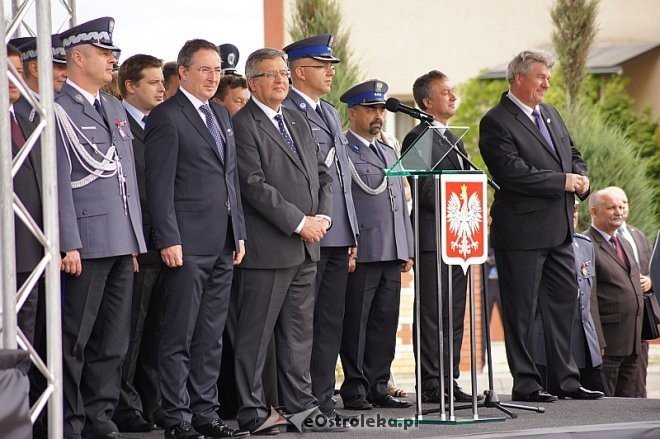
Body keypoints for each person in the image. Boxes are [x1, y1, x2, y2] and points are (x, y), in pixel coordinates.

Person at [478, 49, 603, 401]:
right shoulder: (496, 121)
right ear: (518, 78)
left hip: (560, 230)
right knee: (520, 311)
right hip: (521, 234)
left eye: (548, 76)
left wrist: (581, 178)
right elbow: (511, 173)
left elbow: (573, 155)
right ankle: (527, 384)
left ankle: (566, 380)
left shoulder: (550, 114)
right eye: (540, 76)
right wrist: (562, 182)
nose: (547, 83)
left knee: (563, 304)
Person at [232, 48, 343, 434]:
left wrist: (323, 217)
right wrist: (299, 222)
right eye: (271, 74)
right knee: (256, 336)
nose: (281, 80)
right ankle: (253, 411)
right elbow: (253, 185)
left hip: (306, 246)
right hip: (269, 248)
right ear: (252, 82)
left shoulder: (296, 120)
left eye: (284, 73)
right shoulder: (242, 124)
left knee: (300, 336)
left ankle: (301, 409)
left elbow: (322, 174)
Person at [144, 39, 247, 439]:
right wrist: (168, 238)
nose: (213, 76)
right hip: (185, 244)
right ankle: (177, 417)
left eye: (217, 70)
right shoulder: (166, 117)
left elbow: (230, 179)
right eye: (204, 69)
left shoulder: (221, 114)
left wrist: (238, 231)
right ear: (183, 72)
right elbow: (158, 184)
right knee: (179, 334)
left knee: (210, 336)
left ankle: (206, 413)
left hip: (222, 242)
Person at [55, 17, 147, 438]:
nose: (113, 61)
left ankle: (100, 418)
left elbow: (125, 176)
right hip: (86, 242)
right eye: (104, 54)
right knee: (75, 340)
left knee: (113, 341)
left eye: (113, 54)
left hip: (119, 239)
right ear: (78, 57)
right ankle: (72, 422)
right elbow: (58, 182)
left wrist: (135, 239)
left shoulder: (111, 107)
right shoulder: (56, 107)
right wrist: (68, 242)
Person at [282, 34, 359, 418]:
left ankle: (324, 398)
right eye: (321, 65)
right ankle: (303, 399)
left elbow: (341, 176)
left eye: (331, 65)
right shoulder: (288, 109)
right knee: (303, 323)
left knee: (330, 321)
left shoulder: (327, 111)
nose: (330, 71)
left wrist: (352, 231)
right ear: (298, 71)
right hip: (308, 230)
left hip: (337, 230)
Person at [402, 70, 478, 403]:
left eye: (453, 90)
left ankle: (450, 377)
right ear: (427, 101)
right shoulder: (418, 137)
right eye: (445, 92)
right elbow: (425, 192)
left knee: (454, 311)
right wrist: (460, 195)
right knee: (433, 312)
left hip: (459, 237)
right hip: (433, 238)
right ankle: (431, 381)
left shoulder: (453, 137)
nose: (453, 96)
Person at [339, 80, 414, 410]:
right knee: (356, 323)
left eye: (381, 109)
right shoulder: (342, 149)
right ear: (353, 112)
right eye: (371, 109)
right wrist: (348, 245)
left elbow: (399, 201)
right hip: (363, 250)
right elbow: (342, 202)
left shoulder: (387, 150)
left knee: (385, 323)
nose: (378, 115)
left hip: (391, 250)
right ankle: (354, 387)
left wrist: (406, 245)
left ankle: (378, 384)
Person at [113, 54, 166, 432]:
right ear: (130, 85)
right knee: (129, 330)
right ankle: (124, 404)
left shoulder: (159, 124)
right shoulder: (117, 123)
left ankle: (153, 401)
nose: (162, 88)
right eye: (153, 82)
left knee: (158, 330)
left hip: (164, 241)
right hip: (138, 242)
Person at [532, 201, 608, 394]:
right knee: (557, 410)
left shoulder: (584, 244)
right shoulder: (537, 247)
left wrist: (597, 340)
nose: (572, 214)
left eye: (574, 209)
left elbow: (590, 298)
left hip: (585, 342)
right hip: (550, 345)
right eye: (566, 209)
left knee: (604, 403)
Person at [585, 188, 644, 397]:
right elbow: (588, 297)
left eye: (622, 206)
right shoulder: (586, 244)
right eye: (611, 207)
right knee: (607, 403)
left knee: (630, 403)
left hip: (633, 341)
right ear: (594, 211)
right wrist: (597, 340)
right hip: (608, 343)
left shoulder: (625, 242)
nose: (618, 211)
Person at [7, 43, 43, 348]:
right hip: (7, 246)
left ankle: (22, 395)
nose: (13, 79)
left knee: (27, 335)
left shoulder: (31, 121)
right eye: (6, 72)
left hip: (31, 247)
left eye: (18, 72)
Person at [14, 34, 68, 120]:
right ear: (35, 69)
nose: (66, 74)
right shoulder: (12, 112)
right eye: (59, 67)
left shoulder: (66, 105)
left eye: (68, 67)